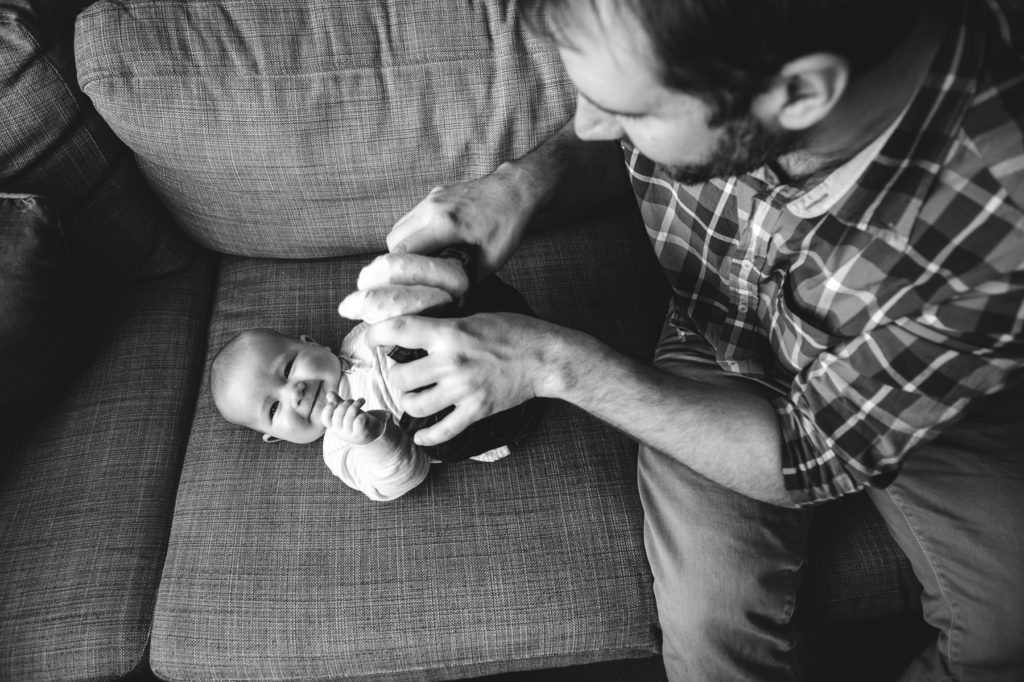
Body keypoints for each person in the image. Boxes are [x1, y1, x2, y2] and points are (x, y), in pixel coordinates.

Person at [361, 0, 1024, 679]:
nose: (588, 125)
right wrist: (524, 182)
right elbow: (612, 128)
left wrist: (553, 362)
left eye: (630, 114)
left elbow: (808, 455)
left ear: (799, 93)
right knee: (714, 641)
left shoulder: (1000, 221)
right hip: (718, 335)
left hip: (925, 402)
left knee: (1008, 639)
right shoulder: (718, 52)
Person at [210, 271, 545, 502]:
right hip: (487, 416)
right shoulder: (340, 448)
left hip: (480, 342)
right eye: (273, 408)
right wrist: (373, 440)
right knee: (425, 429)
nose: (292, 393)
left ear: (312, 344)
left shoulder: (360, 334)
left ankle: (491, 301)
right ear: (276, 436)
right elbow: (405, 475)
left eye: (286, 369)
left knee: (432, 308)